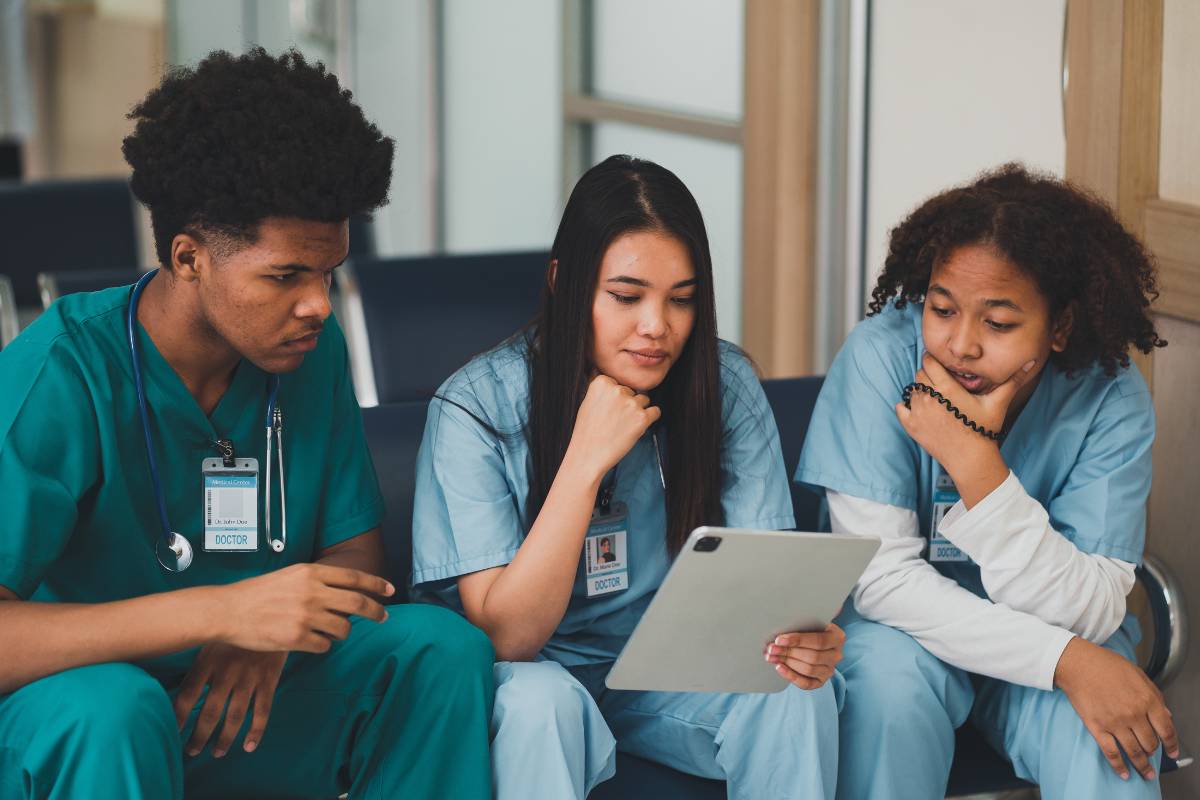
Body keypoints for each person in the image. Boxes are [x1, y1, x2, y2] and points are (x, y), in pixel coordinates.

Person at [0, 48, 494, 800]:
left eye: (327, 273)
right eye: (285, 275)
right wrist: (225, 612)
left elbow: (354, 554)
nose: (319, 306)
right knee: (113, 709)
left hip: (249, 703)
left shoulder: (306, 349)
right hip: (88, 711)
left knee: (438, 648)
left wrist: (264, 642)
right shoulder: (62, 370)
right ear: (189, 257)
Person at [412, 154, 845, 800]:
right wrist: (585, 462)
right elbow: (506, 638)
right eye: (626, 296)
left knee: (795, 689)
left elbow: (765, 589)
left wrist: (801, 636)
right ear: (564, 281)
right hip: (533, 673)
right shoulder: (474, 407)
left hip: (665, 668)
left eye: (682, 300)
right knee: (543, 707)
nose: (656, 327)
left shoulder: (723, 386)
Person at [795, 163, 1180, 800]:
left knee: (1112, 727)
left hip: (1057, 637)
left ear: (1059, 326)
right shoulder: (878, 358)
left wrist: (977, 467)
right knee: (887, 685)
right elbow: (883, 582)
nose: (960, 345)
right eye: (941, 309)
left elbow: (1092, 607)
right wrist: (1064, 660)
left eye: (998, 324)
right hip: (909, 643)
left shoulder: (1109, 396)